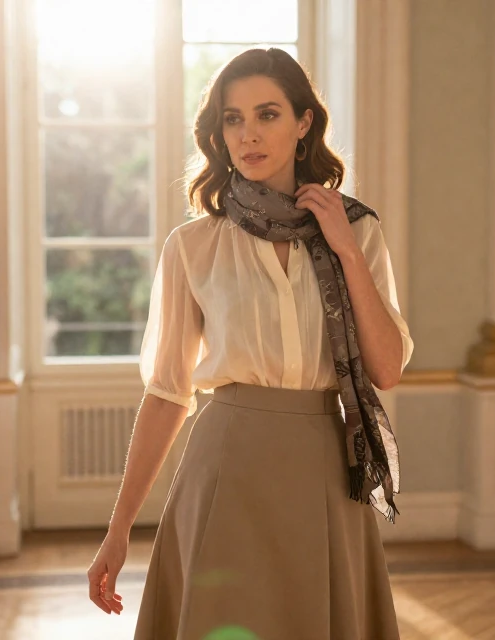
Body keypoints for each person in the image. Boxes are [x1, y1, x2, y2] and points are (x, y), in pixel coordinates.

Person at [87, 47, 412, 640]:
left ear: (303, 122)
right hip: (226, 471)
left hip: (325, 471)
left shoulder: (357, 231)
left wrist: (343, 249)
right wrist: (118, 531)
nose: (248, 135)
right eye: (232, 119)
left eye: (267, 114)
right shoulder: (194, 247)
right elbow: (166, 394)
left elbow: (386, 368)